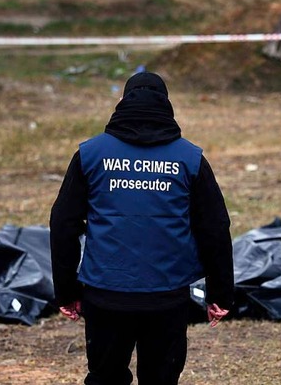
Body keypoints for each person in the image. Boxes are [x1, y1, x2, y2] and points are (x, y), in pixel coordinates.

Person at [49, 71, 234, 385]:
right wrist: (220, 293)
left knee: (105, 378)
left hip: (105, 295)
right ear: (167, 106)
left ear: (121, 103)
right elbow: (214, 227)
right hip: (167, 297)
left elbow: (63, 224)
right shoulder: (189, 159)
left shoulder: (90, 155)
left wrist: (66, 291)